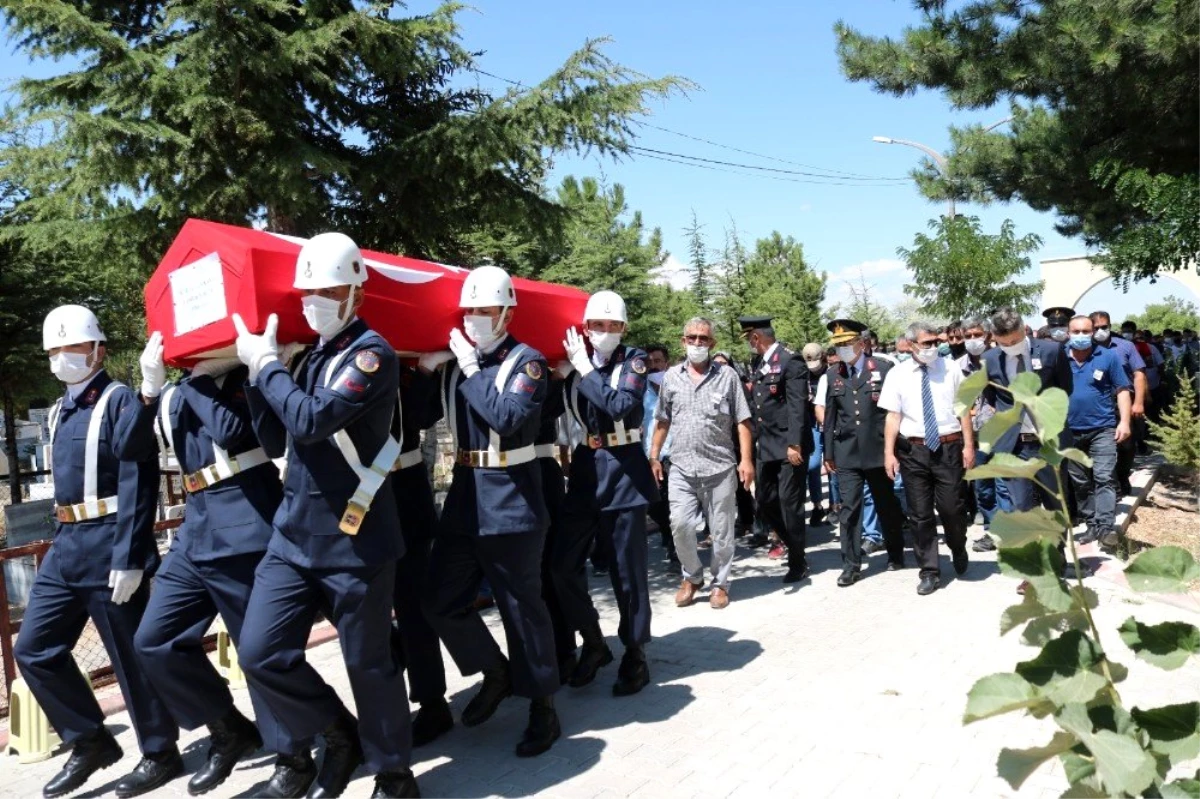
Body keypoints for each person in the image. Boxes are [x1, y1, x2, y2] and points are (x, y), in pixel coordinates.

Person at [234, 232, 418, 799]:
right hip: (293, 537)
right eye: (307, 290)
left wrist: (267, 367)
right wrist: (261, 375)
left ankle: (393, 774)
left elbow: (313, 421)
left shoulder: (371, 354)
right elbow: (276, 434)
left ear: (355, 293)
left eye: (328, 289)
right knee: (260, 651)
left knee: (368, 665)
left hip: (353, 540)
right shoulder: (309, 357)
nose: (314, 299)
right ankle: (337, 731)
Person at [16, 305, 181, 799]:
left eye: (73, 347)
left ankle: (159, 753)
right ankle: (90, 740)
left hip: (111, 540)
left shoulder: (118, 399)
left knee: (128, 656)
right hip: (67, 543)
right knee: (34, 650)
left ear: (98, 349)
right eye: (56, 349)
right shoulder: (60, 409)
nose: (64, 356)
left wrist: (131, 554)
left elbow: (137, 478)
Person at [116, 338, 285, 795]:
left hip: (246, 519)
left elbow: (230, 431)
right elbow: (130, 447)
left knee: (257, 651)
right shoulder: (178, 390)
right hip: (197, 526)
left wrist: (199, 379)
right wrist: (150, 394)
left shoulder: (248, 375)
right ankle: (228, 728)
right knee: (154, 640)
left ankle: (293, 756)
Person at [419, 265, 562, 758]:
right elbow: (421, 415)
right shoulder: (461, 363)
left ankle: (543, 704)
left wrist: (472, 369)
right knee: (438, 600)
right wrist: (424, 370)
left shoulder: (529, 364)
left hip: (511, 497)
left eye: (484, 310)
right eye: (470, 310)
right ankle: (496, 671)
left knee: (522, 608)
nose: (475, 318)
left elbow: (506, 415)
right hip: (464, 495)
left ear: (507, 312)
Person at [553, 290, 659, 696]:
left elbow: (618, 404)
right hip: (585, 468)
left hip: (623, 469)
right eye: (599, 325)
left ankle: (635, 650)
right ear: (586, 326)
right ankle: (594, 642)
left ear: (624, 328)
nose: (606, 332)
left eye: (614, 325)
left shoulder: (633, 360)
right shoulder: (575, 359)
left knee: (627, 573)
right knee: (562, 566)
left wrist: (582, 368)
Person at [649, 317, 754, 610]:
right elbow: (662, 419)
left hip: (719, 467)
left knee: (721, 531)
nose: (697, 343)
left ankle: (720, 584)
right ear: (683, 342)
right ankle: (692, 577)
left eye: (703, 338)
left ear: (712, 344)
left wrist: (746, 460)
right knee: (680, 525)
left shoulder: (728, 376)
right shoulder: (671, 377)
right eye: (692, 338)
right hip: (681, 466)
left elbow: (743, 421)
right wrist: (654, 455)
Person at [880, 322, 976, 595]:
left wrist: (969, 446)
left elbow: (964, 409)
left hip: (948, 447)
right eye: (926, 343)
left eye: (935, 342)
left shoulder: (951, 368)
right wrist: (889, 453)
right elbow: (892, 416)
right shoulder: (897, 375)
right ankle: (930, 571)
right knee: (919, 514)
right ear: (911, 345)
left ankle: (958, 546)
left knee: (951, 508)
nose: (933, 347)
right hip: (913, 451)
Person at [388, 358, 453, 748]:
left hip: (401, 495)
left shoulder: (403, 370)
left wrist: (424, 374)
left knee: (412, 608)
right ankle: (391, 671)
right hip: (347, 501)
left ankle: (431, 702)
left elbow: (423, 416)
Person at [821, 318, 906, 586]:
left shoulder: (883, 368)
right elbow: (830, 418)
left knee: (886, 504)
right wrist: (828, 453)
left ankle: (895, 553)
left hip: (877, 450)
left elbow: (893, 412)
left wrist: (893, 450)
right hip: (847, 453)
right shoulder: (833, 374)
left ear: (861, 342)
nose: (843, 349)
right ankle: (851, 564)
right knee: (849, 510)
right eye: (839, 345)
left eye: (847, 343)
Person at [981, 307, 1074, 515]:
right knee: (1022, 507)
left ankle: (1056, 548)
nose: (1010, 347)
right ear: (994, 337)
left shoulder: (1052, 351)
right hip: (1015, 446)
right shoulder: (989, 359)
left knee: (1055, 506)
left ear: (1023, 330)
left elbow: (1065, 388)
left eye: (1014, 342)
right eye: (1003, 343)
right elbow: (991, 397)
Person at [741, 316, 813, 584]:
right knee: (766, 501)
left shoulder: (789, 360)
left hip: (788, 446)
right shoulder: (759, 362)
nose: (749, 343)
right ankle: (792, 544)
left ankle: (798, 560)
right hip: (767, 445)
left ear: (757, 337)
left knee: (790, 503)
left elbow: (796, 406)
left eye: (750, 338)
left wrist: (794, 443)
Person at [1064, 316, 1133, 549]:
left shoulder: (1108, 356)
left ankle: (1105, 528)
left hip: (1102, 429)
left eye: (1086, 331)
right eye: (1076, 331)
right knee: (1080, 481)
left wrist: (1124, 422)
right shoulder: (1058, 357)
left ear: (1093, 331)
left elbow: (1122, 389)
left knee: (1104, 477)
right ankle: (1091, 522)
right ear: (1068, 332)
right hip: (1067, 432)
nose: (1081, 335)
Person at [1089, 310, 1146, 498]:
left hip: (1122, 401)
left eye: (1103, 327)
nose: (1100, 331)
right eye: (1096, 328)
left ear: (1110, 326)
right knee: (1101, 447)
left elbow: (1138, 374)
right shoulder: (1085, 348)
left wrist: (1138, 402)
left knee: (1126, 445)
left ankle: (1122, 476)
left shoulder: (1125, 346)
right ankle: (1109, 484)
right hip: (1097, 403)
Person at [641, 344, 675, 562]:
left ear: (666, 363)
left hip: (673, 454)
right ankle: (667, 532)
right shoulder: (638, 389)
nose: (653, 366)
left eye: (657, 361)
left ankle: (675, 551)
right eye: (649, 362)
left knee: (674, 505)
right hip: (648, 456)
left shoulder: (675, 387)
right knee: (654, 505)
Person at [801, 343, 829, 527]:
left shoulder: (832, 373)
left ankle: (837, 505)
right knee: (812, 466)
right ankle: (817, 505)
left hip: (830, 422)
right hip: (811, 425)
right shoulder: (802, 374)